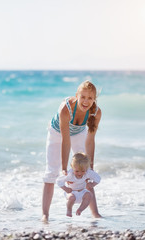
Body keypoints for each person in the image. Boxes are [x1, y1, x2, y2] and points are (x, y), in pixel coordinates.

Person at [42, 80, 102, 222]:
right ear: (77, 95)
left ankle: (95, 214)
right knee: (51, 172)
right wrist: (64, 168)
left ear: (94, 99)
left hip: (78, 134)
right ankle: (45, 215)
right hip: (57, 134)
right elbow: (65, 140)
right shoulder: (66, 108)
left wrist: (91, 166)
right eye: (83, 97)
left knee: (86, 172)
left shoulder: (96, 113)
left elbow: (90, 140)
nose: (86, 101)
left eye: (90, 98)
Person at [57, 152, 101, 217]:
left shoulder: (88, 172)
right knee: (72, 197)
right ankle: (69, 209)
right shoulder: (70, 174)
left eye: (83, 171)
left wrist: (92, 184)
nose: (80, 173)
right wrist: (66, 189)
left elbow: (98, 178)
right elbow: (59, 181)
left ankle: (80, 209)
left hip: (82, 192)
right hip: (71, 192)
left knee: (89, 195)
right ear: (72, 167)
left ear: (86, 168)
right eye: (77, 171)